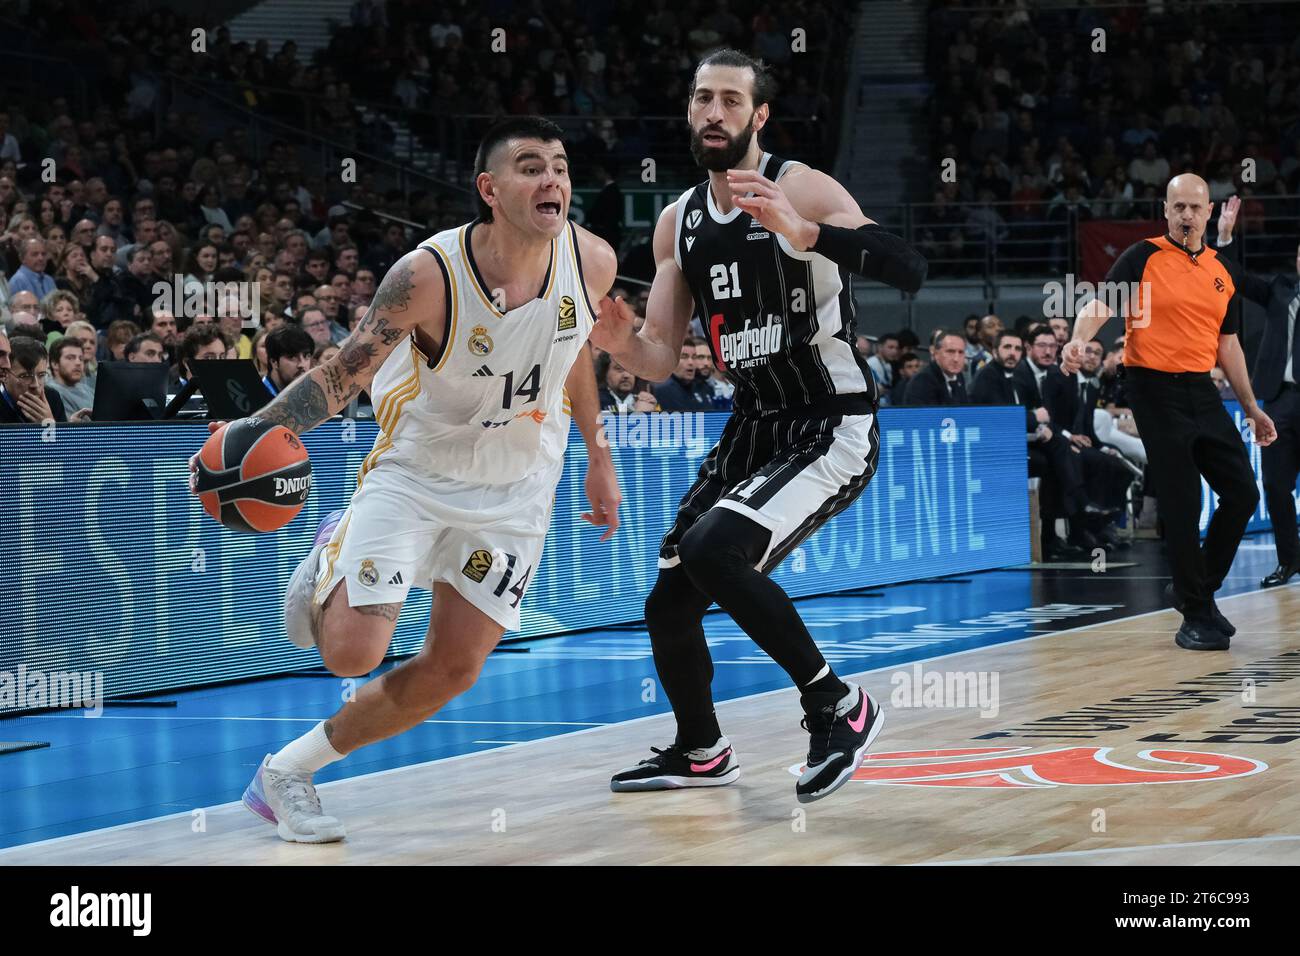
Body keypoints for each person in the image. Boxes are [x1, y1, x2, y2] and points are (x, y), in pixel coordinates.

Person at [189, 117, 621, 844]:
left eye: (559, 165)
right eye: (529, 166)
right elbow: (340, 374)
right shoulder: (427, 276)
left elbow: (574, 348)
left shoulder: (594, 261)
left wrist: (597, 450)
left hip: (517, 491)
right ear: (489, 189)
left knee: (453, 670)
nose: (551, 179)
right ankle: (331, 552)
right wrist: (250, 435)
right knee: (351, 654)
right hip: (415, 473)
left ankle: (287, 773)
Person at [592, 50, 926, 803]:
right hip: (752, 426)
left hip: (829, 422)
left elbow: (911, 267)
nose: (714, 112)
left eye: (731, 101)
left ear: (758, 115)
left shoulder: (800, 185)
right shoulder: (677, 222)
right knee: (670, 600)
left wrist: (807, 235)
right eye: (702, 98)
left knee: (714, 548)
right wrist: (620, 345)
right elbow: (658, 355)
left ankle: (838, 704)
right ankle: (701, 748)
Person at [1062, 173, 1275, 651]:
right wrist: (1079, 340)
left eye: (1195, 208)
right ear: (1166, 210)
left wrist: (1251, 407)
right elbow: (1101, 302)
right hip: (1151, 386)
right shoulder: (1143, 255)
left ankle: (1194, 590)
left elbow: (1229, 344)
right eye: (1178, 206)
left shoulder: (1223, 269)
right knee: (1183, 500)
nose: (1186, 215)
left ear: (1208, 211)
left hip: (1201, 389)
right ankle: (1196, 614)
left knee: (1242, 491)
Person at [1215, 196, 1300, 588]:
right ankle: (1289, 562)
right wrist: (1225, 238)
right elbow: (1235, 279)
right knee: (1276, 486)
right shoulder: (1281, 291)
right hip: (1279, 400)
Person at [900, 331, 968, 404]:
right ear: (936, 353)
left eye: (961, 352)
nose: (956, 359)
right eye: (950, 352)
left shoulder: (959, 376)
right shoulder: (923, 380)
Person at [652, 335, 713, 410]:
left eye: (694, 357)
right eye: (684, 357)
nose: (691, 362)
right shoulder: (662, 389)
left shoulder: (702, 387)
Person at [260, 324, 313, 396]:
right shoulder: (257, 399)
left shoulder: (313, 394)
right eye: (292, 357)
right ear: (274, 362)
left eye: (306, 356)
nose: (302, 364)